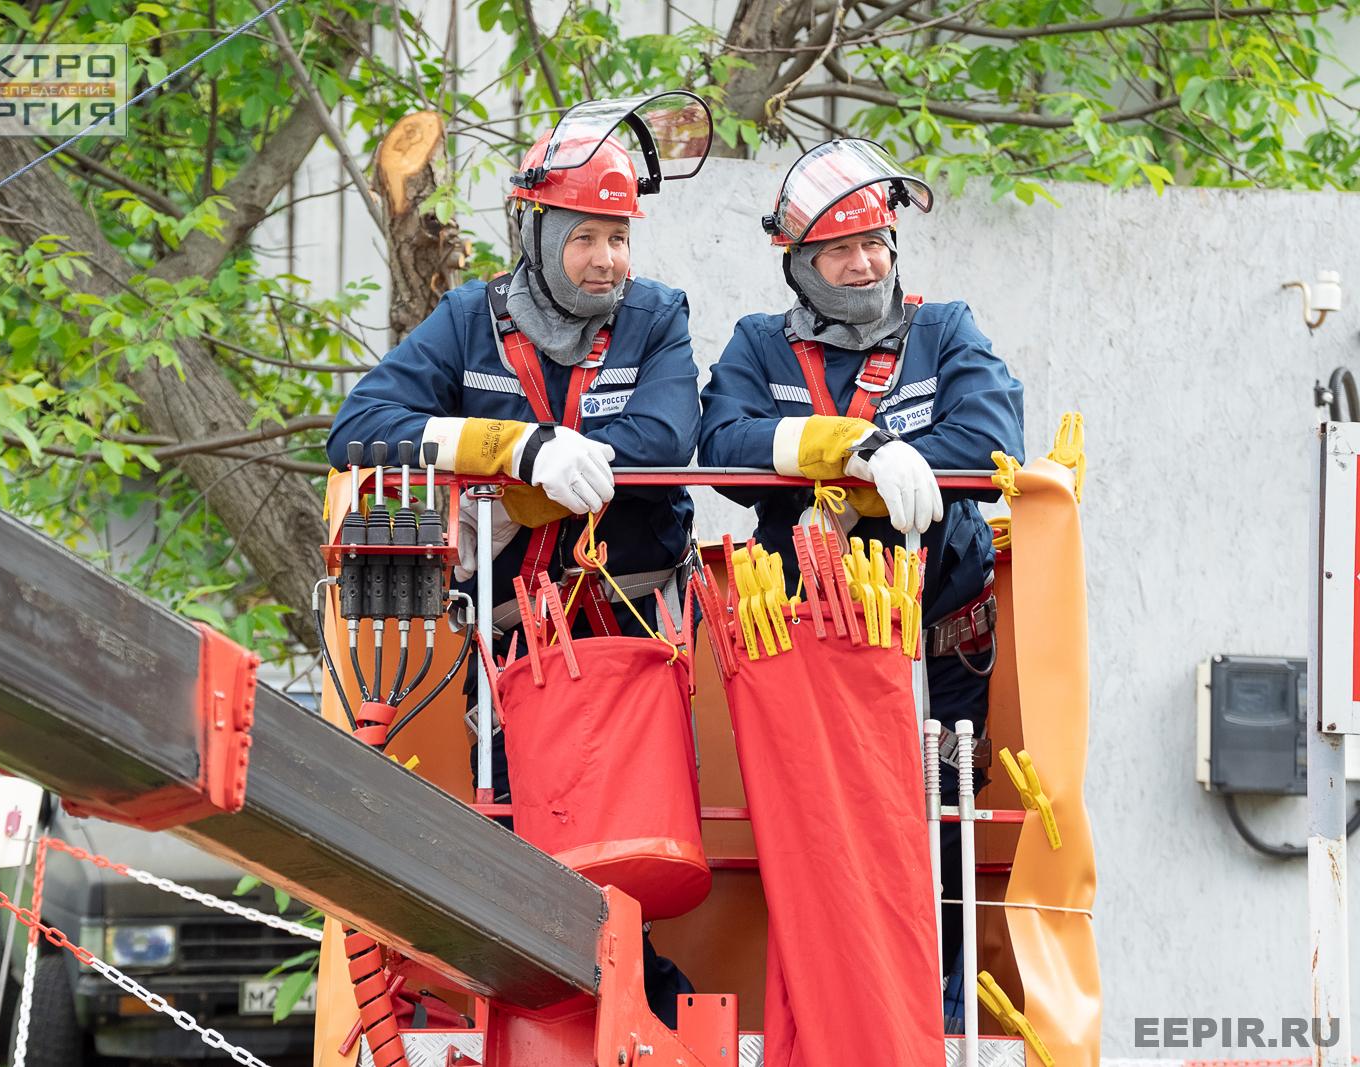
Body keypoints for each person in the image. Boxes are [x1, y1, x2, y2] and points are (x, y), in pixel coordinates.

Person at [326, 94, 711, 1026]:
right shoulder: (468, 320)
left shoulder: (658, 316)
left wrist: (534, 462)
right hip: (500, 641)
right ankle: (537, 1003)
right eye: (586, 236)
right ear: (536, 231)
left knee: (619, 838)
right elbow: (360, 428)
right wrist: (516, 449)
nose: (608, 259)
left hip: (622, 627)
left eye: (619, 236)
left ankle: (639, 996)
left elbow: (663, 439)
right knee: (518, 833)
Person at [697, 138, 1025, 1028]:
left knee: (941, 822)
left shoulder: (945, 329)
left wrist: (892, 460)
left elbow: (995, 440)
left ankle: (940, 1006)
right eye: (843, 249)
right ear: (800, 265)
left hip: (939, 642)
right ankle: (826, 998)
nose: (866, 261)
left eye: (877, 241)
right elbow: (720, 445)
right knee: (818, 829)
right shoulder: (760, 347)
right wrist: (837, 447)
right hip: (812, 644)